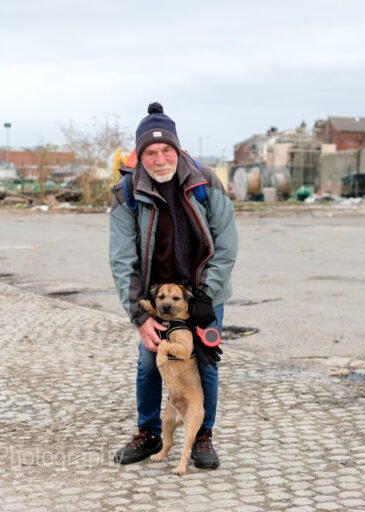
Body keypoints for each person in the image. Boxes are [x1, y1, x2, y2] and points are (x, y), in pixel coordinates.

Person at [109, 102, 238, 469]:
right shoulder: (127, 193)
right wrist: (139, 314)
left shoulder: (205, 182)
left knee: (206, 365)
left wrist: (206, 298)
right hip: (158, 297)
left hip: (202, 294)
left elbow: (226, 245)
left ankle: (201, 437)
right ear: (140, 155)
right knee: (149, 363)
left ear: (178, 150)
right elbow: (122, 260)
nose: (160, 158)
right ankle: (149, 433)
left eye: (167, 149)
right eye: (151, 151)